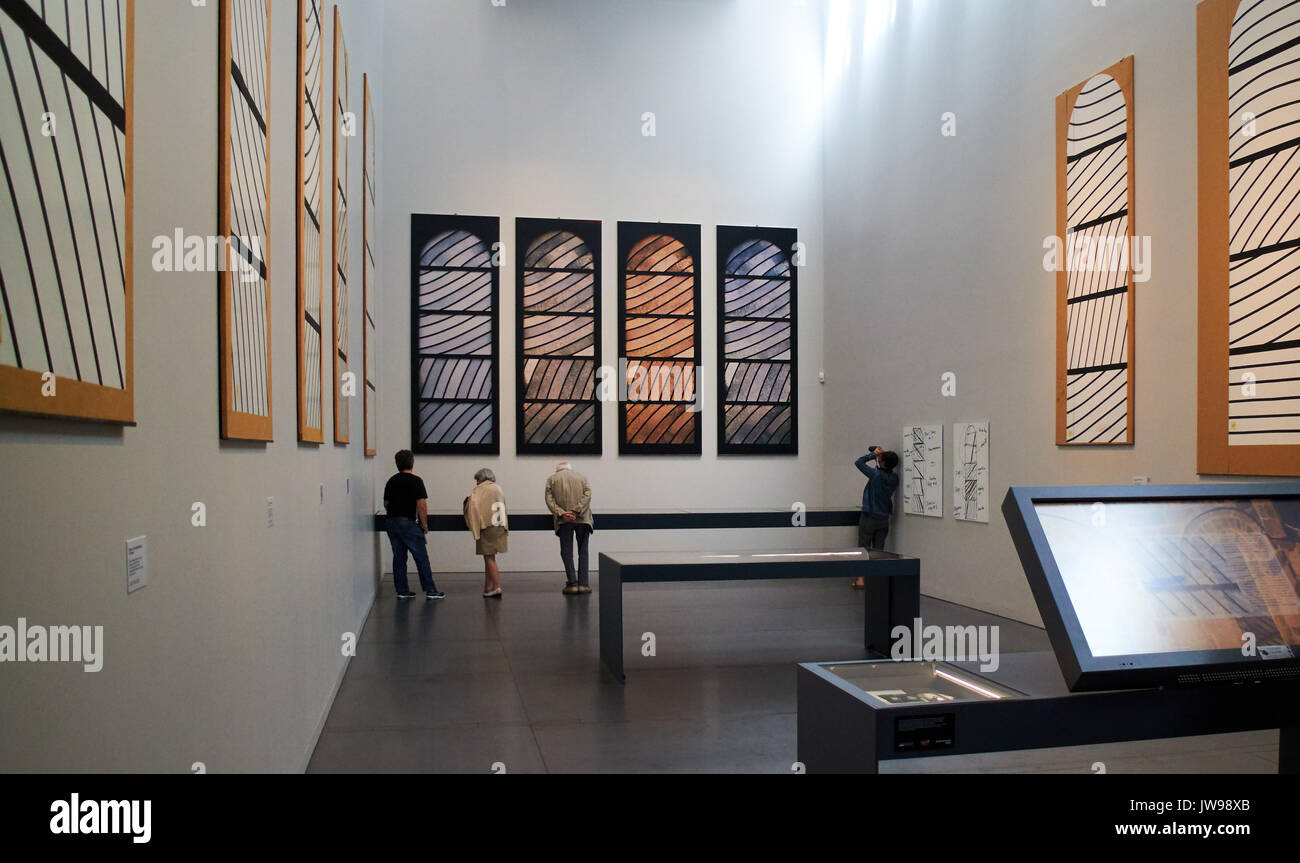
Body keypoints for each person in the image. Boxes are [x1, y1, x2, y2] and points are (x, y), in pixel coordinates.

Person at [383, 450, 444, 600]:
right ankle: (430, 590)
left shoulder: (391, 480)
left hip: (392, 522)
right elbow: (421, 505)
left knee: (399, 558)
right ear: (412, 463)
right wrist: (424, 524)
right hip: (408, 523)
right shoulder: (416, 481)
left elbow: (386, 503)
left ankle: (402, 591)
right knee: (421, 557)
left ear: (397, 464)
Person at [852, 446, 900, 589]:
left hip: (869, 516)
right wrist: (879, 455)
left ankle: (861, 579)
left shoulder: (876, 475)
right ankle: (877, 580)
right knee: (879, 550)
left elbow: (859, 463)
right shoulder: (894, 478)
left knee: (863, 548)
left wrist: (872, 454)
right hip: (884, 518)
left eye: (880, 460)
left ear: (884, 463)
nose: (878, 461)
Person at [545, 462, 594, 595]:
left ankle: (572, 583)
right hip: (583, 519)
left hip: (564, 521)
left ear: (558, 470)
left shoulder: (552, 479)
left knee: (567, 552)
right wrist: (576, 510)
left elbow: (549, 500)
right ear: (570, 469)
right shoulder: (582, 478)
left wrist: (562, 513)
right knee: (583, 551)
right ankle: (583, 584)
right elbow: (588, 495)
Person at [464, 468, 508, 598]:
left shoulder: (480, 490)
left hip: (487, 527)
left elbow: (473, 507)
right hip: (499, 526)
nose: (476, 483)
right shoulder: (498, 488)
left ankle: (495, 587)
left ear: (482, 479)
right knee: (490, 557)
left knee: (489, 558)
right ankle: (488, 587)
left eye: (477, 479)